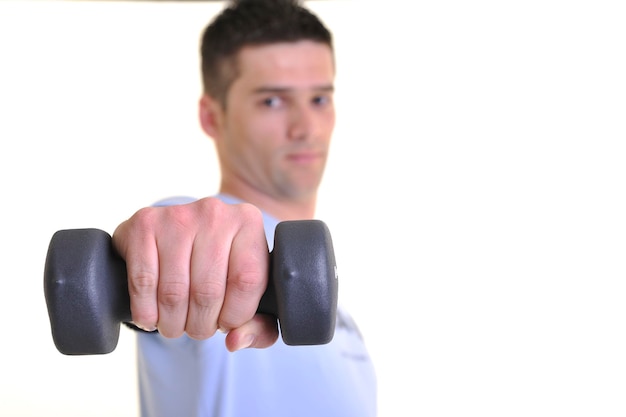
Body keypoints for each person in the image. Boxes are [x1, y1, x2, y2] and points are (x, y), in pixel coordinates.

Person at [111, 0, 377, 416]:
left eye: (319, 99)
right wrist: (155, 244)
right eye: (272, 101)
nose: (305, 127)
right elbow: (177, 229)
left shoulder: (334, 309)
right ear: (212, 117)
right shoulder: (206, 237)